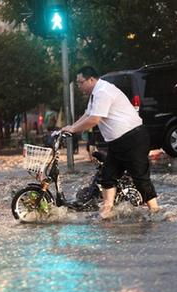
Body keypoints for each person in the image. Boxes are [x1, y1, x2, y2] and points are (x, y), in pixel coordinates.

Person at [61, 66, 160, 218]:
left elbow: (94, 119)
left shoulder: (103, 92)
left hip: (133, 138)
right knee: (107, 176)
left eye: (81, 83)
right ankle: (107, 211)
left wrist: (74, 130)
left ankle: (155, 211)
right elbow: (88, 113)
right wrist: (71, 127)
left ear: (91, 79)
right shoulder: (95, 93)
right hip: (117, 142)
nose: (79, 86)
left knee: (140, 177)